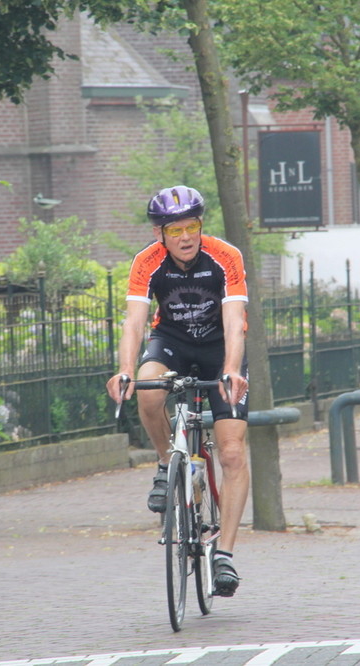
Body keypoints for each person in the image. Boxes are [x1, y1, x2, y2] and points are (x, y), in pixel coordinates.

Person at [106, 185, 250, 598]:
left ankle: (224, 555)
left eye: (192, 227)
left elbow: (234, 320)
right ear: (160, 234)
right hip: (172, 341)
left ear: (200, 226)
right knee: (148, 391)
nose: (185, 237)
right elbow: (135, 322)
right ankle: (166, 461)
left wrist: (230, 370)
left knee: (232, 452)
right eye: (175, 230)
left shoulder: (225, 256)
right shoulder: (147, 262)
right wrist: (125, 370)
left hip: (220, 349)